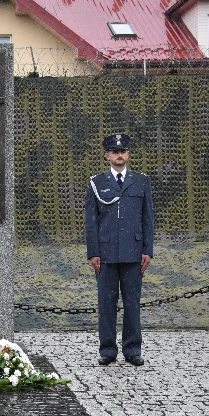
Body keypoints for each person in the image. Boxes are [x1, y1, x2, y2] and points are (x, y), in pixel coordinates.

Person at [84, 133, 155, 367]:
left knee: (132, 303)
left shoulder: (142, 181)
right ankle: (107, 350)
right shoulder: (97, 183)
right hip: (105, 254)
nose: (120, 155)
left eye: (123, 151)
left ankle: (133, 349)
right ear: (107, 155)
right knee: (106, 303)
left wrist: (148, 250)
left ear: (129, 154)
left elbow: (148, 218)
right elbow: (91, 221)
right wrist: (93, 252)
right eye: (115, 152)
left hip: (134, 252)